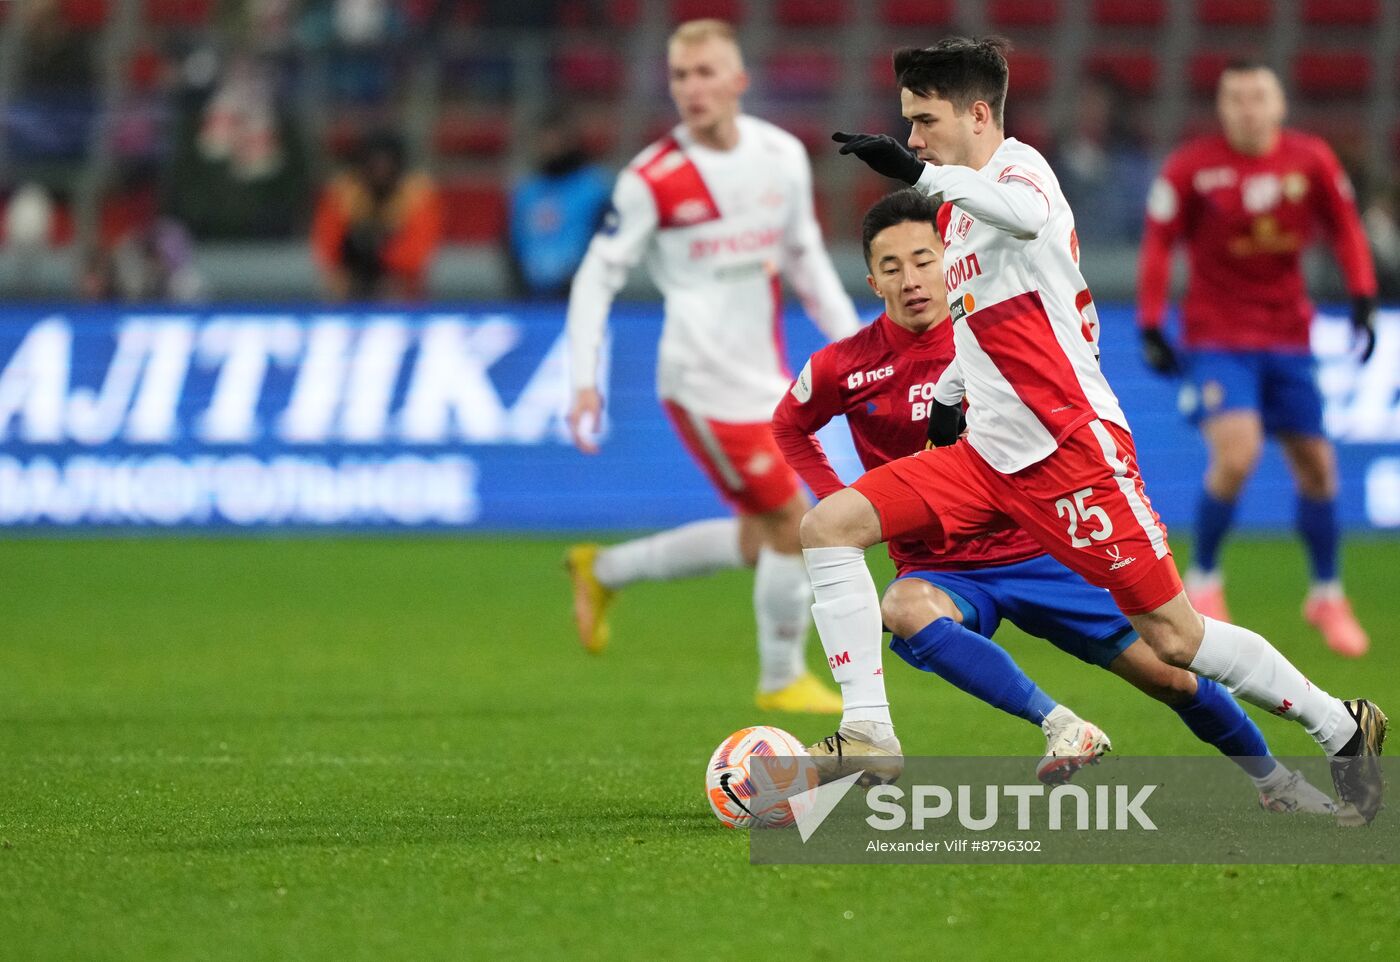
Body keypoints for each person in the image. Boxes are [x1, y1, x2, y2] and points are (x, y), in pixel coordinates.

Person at [812, 38, 1384, 826]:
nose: (911, 140)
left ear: (978, 115)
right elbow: (983, 321)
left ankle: (1338, 725)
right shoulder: (956, 212)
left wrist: (920, 176)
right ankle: (869, 732)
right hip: (988, 457)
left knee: (1175, 642)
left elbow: (1028, 217)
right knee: (829, 524)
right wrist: (949, 392)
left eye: (924, 122)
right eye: (908, 128)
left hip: (1069, 450)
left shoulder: (1020, 174)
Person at [770, 187, 1334, 811]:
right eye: (892, 267)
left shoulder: (988, 341)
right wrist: (840, 500)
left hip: (1044, 543)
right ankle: (1058, 722)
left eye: (924, 260)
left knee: (1174, 676)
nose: (911, 280)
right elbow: (789, 427)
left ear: (949, 259)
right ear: (872, 280)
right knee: (904, 605)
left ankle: (1275, 782)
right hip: (944, 567)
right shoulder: (844, 366)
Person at [563, 19, 861, 713]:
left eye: (705, 73)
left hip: (766, 379)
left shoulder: (781, 156)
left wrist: (858, 350)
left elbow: (806, 260)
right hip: (700, 384)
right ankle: (782, 676)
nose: (692, 89)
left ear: (738, 81)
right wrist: (584, 378)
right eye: (679, 76)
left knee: (765, 538)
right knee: (796, 522)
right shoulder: (652, 179)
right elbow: (595, 279)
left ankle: (603, 570)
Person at [1135, 61, 1379, 657]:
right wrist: (1148, 321)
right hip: (1217, 336)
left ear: (1279, 105)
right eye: (1235, 98)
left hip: (1290, 337)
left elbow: (1345, 228)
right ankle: (1205, 580)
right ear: (1221, 108)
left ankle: (1325, 593)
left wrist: (1364, 295)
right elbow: (1160, 241)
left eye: (1257, 97)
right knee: (1238, 452)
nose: (1246, 108)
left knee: (1318, 468)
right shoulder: (1192, 167)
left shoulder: (1311, 159)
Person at [310, 130, 441, 301]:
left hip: (397, 276)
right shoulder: (343, 192)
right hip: (350, 272)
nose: (381, 172)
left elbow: (416, 253)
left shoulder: (417, 194)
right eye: (374, 165)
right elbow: (327, 247)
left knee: (394, 288)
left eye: (387, 165)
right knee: (336, 284)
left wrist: (380, 252)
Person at [506, 122, 613, 298]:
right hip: (530, 292)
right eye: (544, 141)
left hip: (580, 291)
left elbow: (606, 238)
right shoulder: (527, 190)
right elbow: (512, 241)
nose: (550, 148)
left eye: (555, 141)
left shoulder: (594, 188)